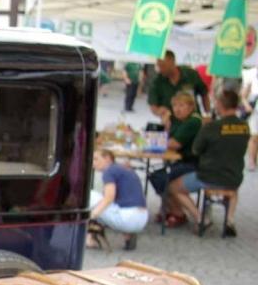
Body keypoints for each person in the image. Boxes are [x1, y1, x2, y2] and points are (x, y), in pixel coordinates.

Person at [168, 90, 250, 236]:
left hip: (208, 176)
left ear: (219, 105)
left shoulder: (212, 127)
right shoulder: (245, 126)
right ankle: (230, 220)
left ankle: (200, 219)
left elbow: (196, 150)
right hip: (235, 176)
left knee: (174, 187)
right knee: (232, 188)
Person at [151, 91, 203, 226]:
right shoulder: (180, 120)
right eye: (174, 106)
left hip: (194, 163)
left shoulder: (193, 122)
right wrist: (166, 122)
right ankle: (171, 209)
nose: (177, 109)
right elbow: (167, 138)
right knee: (156, 175)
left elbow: (173, 144)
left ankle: (177, 213)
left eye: (181, 105)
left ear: (191, 107)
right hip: (182, 161)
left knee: (160, 177)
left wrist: (154, 141)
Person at [88, 149, 147, 250]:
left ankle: (90, 239)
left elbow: (109, 198)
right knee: (102, 203)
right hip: (143, 217)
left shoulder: (109, 171)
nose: (93, 163)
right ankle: (128, 235)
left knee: (90, 196)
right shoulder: (123, 169)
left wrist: (92, 215)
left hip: (127, 218)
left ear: (107, 158)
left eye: (96, 159)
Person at [148, 50, 209, 119]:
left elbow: (204, 94)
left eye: (163, 66)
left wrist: (207, 113)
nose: (161, 70)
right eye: (159, 66)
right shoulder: (157, 82)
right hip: (172, 122)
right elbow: (153, 105)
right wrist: (159, 111)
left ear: (172, 62)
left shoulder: (190, 74)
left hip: (193, 119)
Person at [241, 64, 257, 171]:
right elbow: (243, 95)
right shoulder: (251, 74)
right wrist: (246, 105)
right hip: (255, 111)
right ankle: (252, 161)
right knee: (254, 136)